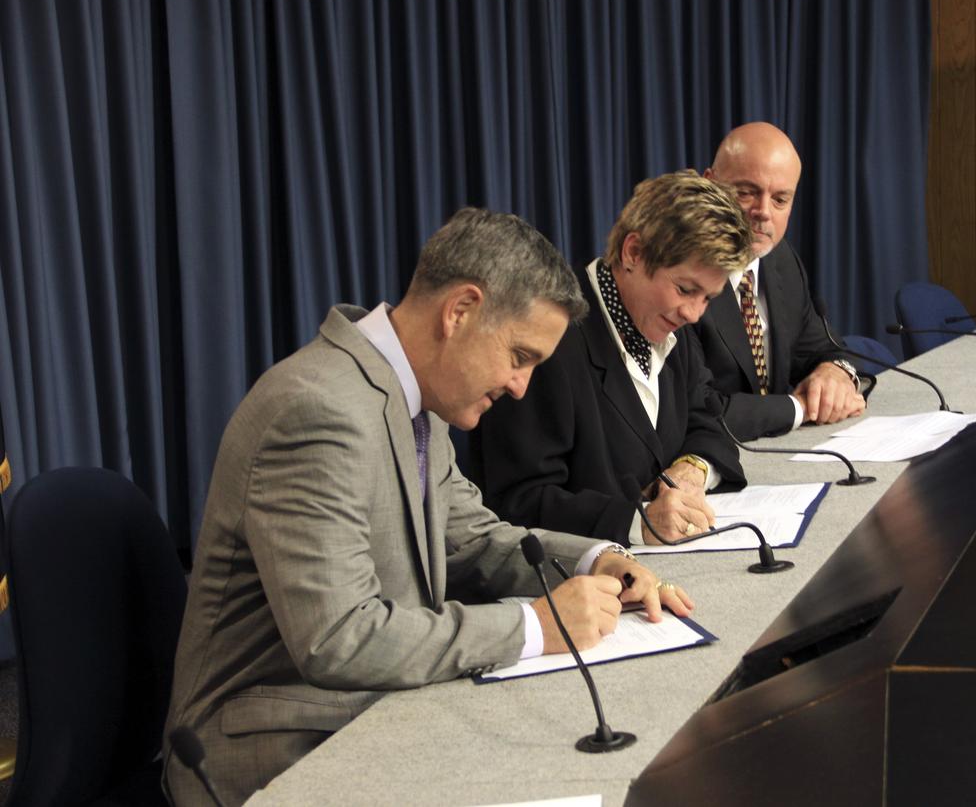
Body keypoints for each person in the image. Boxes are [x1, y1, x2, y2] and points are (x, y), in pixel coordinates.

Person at [163, 209, 691, 805]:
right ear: (460, 311)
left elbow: (470, 539)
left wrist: (597, 560)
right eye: (520, 357)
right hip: (274, 747)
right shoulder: (317, 411)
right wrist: (533, 626)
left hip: (377, 708)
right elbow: (340, 637)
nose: (521, 387)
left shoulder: (413, 397)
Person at [478, 172, 752, 546]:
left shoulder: (673, 325)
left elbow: (707, 419)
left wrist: (694, 468)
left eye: (708, 298)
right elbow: (516, 501)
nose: (694, 313)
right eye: (686, 290)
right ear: (633, 253)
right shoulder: (548, 339)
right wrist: (636, 522)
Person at [693, 121, 867, 440]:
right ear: (709, 185)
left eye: (780, 200)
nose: (763, 212)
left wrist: (835, 374)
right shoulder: (682, 278)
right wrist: (798, 407)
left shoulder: (779, 259)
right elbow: (699, 409)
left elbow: (823, 350)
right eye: (746, 193)